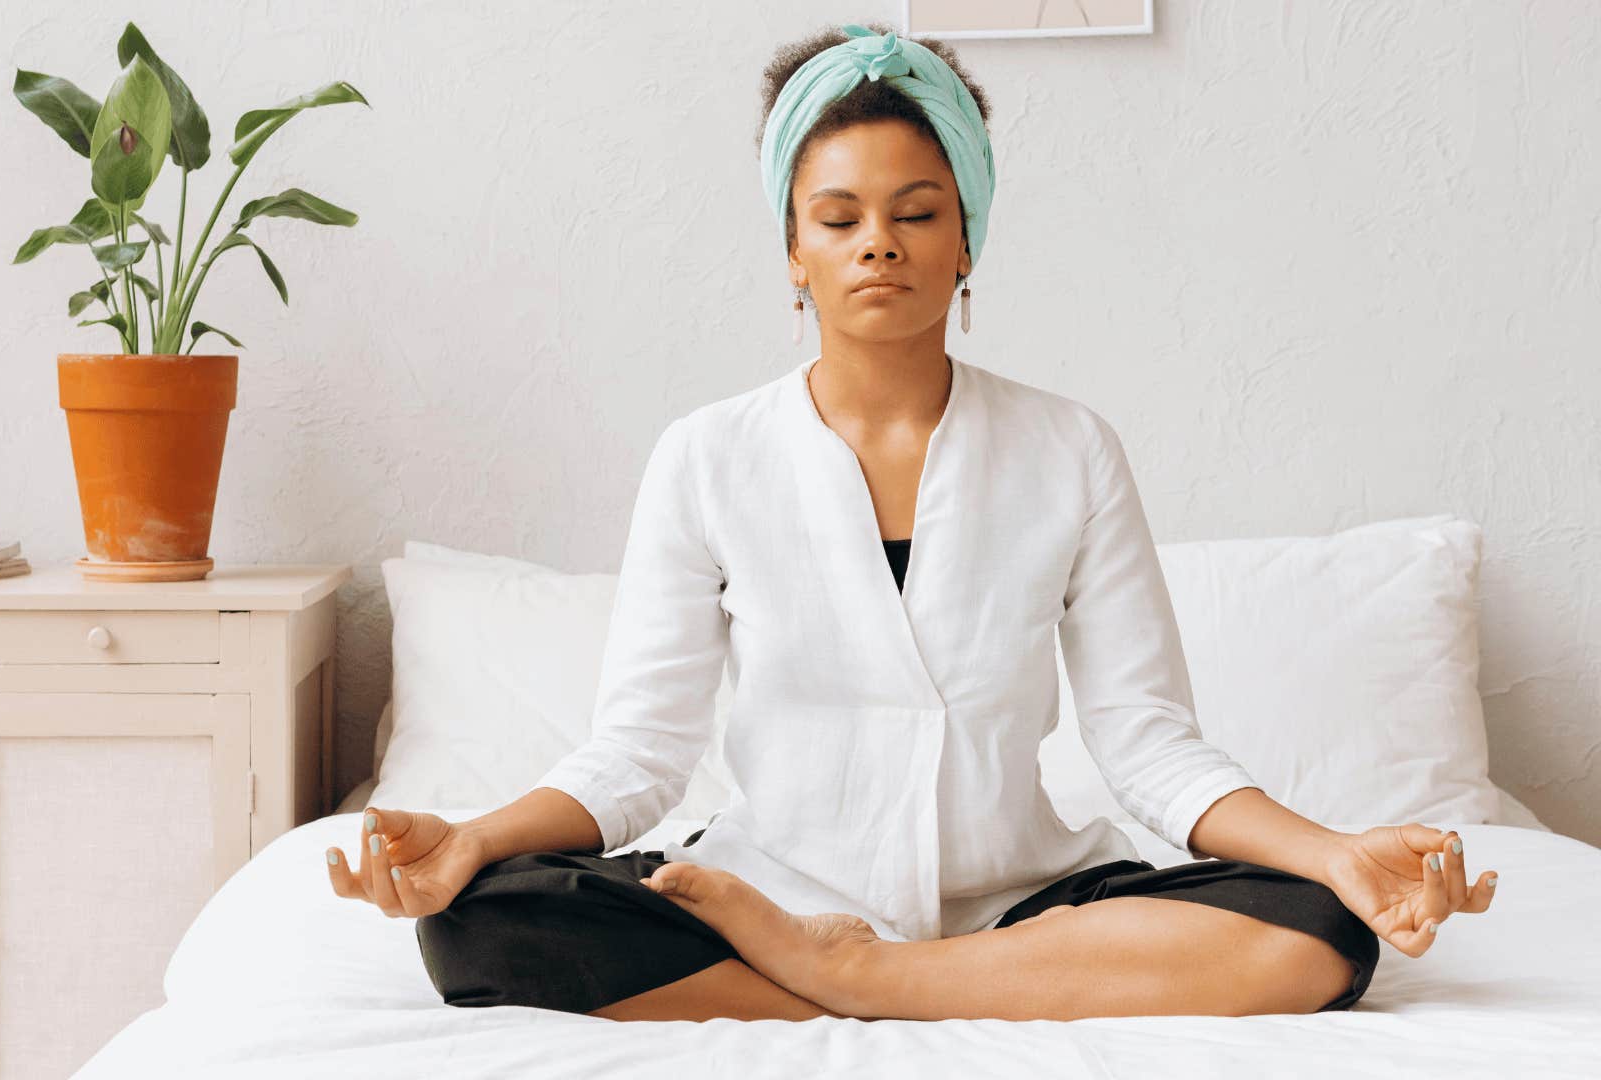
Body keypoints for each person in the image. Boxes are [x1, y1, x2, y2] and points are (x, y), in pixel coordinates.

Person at [326, 22, 1499, 1023]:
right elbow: (639, 753)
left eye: (916, 211)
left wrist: (1335, 853)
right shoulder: (707, 456)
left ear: (967, 239)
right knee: (484, 929)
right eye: (836, 218)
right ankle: (903, 974)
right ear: (793, 251)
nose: (876, 241)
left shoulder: (1070, 448)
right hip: (763, 887)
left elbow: (1146, 742)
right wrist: (476, 838)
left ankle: (876, 979)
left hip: (1017, 901)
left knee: (1320, 930)